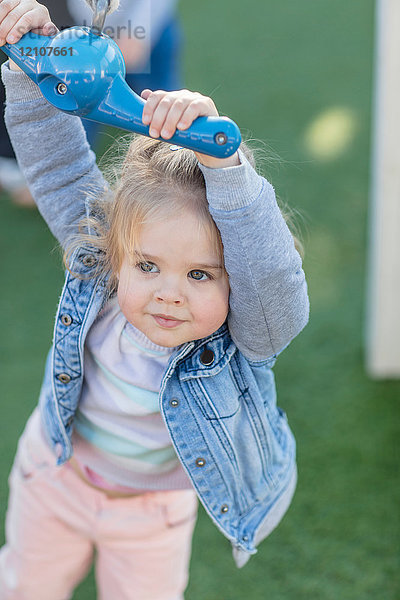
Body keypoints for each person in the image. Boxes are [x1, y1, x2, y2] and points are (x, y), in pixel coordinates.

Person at [0, 2, 309, 599]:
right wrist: (33, 63)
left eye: (200, 274)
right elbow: (61, 167)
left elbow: (273, 280)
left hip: (153, 516)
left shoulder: (247, 333)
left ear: (234, 281)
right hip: (54, 478)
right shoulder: (102, 268)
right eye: (147, 266)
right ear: (118, 254)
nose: (168, 292)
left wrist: (227, 170)